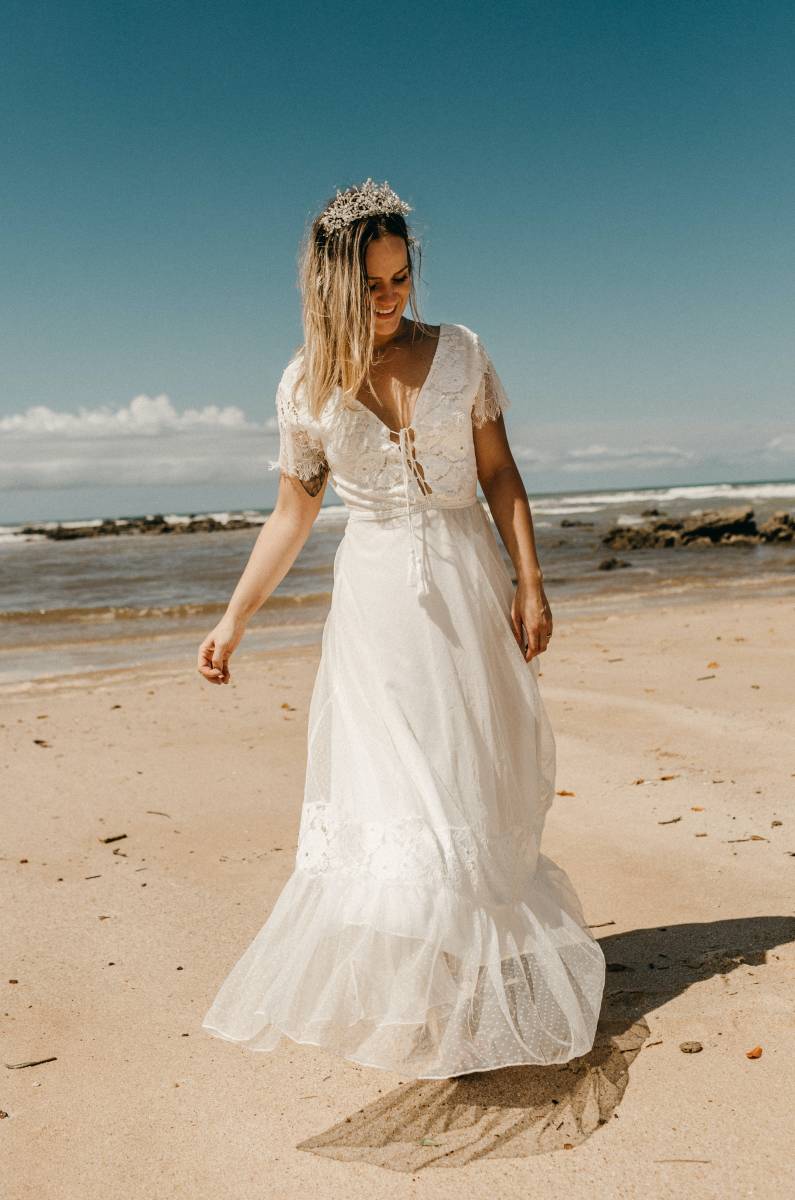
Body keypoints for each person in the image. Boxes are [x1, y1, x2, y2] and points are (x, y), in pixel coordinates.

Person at [199, 179, 606, 1079]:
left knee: (473, 784)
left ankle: (469, 981)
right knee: (399, 796)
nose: (390, 298)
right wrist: (234, 618)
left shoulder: (461, 353)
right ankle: (433, 998)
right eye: (371, 285)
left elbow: (500, 475)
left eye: (400, 277)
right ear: (332, 289)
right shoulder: (305, 384)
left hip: (466, 591)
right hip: (376, 606)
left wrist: (530, 581)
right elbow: (289, 516)